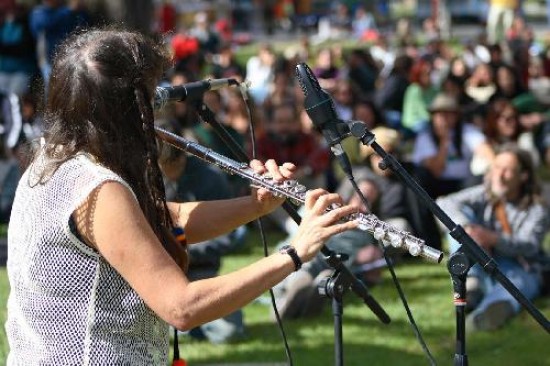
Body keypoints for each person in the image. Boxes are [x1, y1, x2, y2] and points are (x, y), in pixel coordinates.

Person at [4, 28, 359, 364]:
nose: (157, 110)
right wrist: (296, 252)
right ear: (128, 109)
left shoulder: (53, 158)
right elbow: (182, 307)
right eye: (150, 97)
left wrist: (256, 205)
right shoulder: (97, 188)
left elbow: (162, 218)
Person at [437, 144, 549, 331]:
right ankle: (471, 283)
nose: (499, 175)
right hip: (482, 263)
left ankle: (486, 314)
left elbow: (529, 246)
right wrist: (467, 228)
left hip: (520, 268)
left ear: (523, 176)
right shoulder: (484, 193)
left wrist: (493, 239)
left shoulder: (537, 208)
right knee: (458, 223)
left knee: (518, 285)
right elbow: (444, 203)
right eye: (496, 168)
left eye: (507, 170)